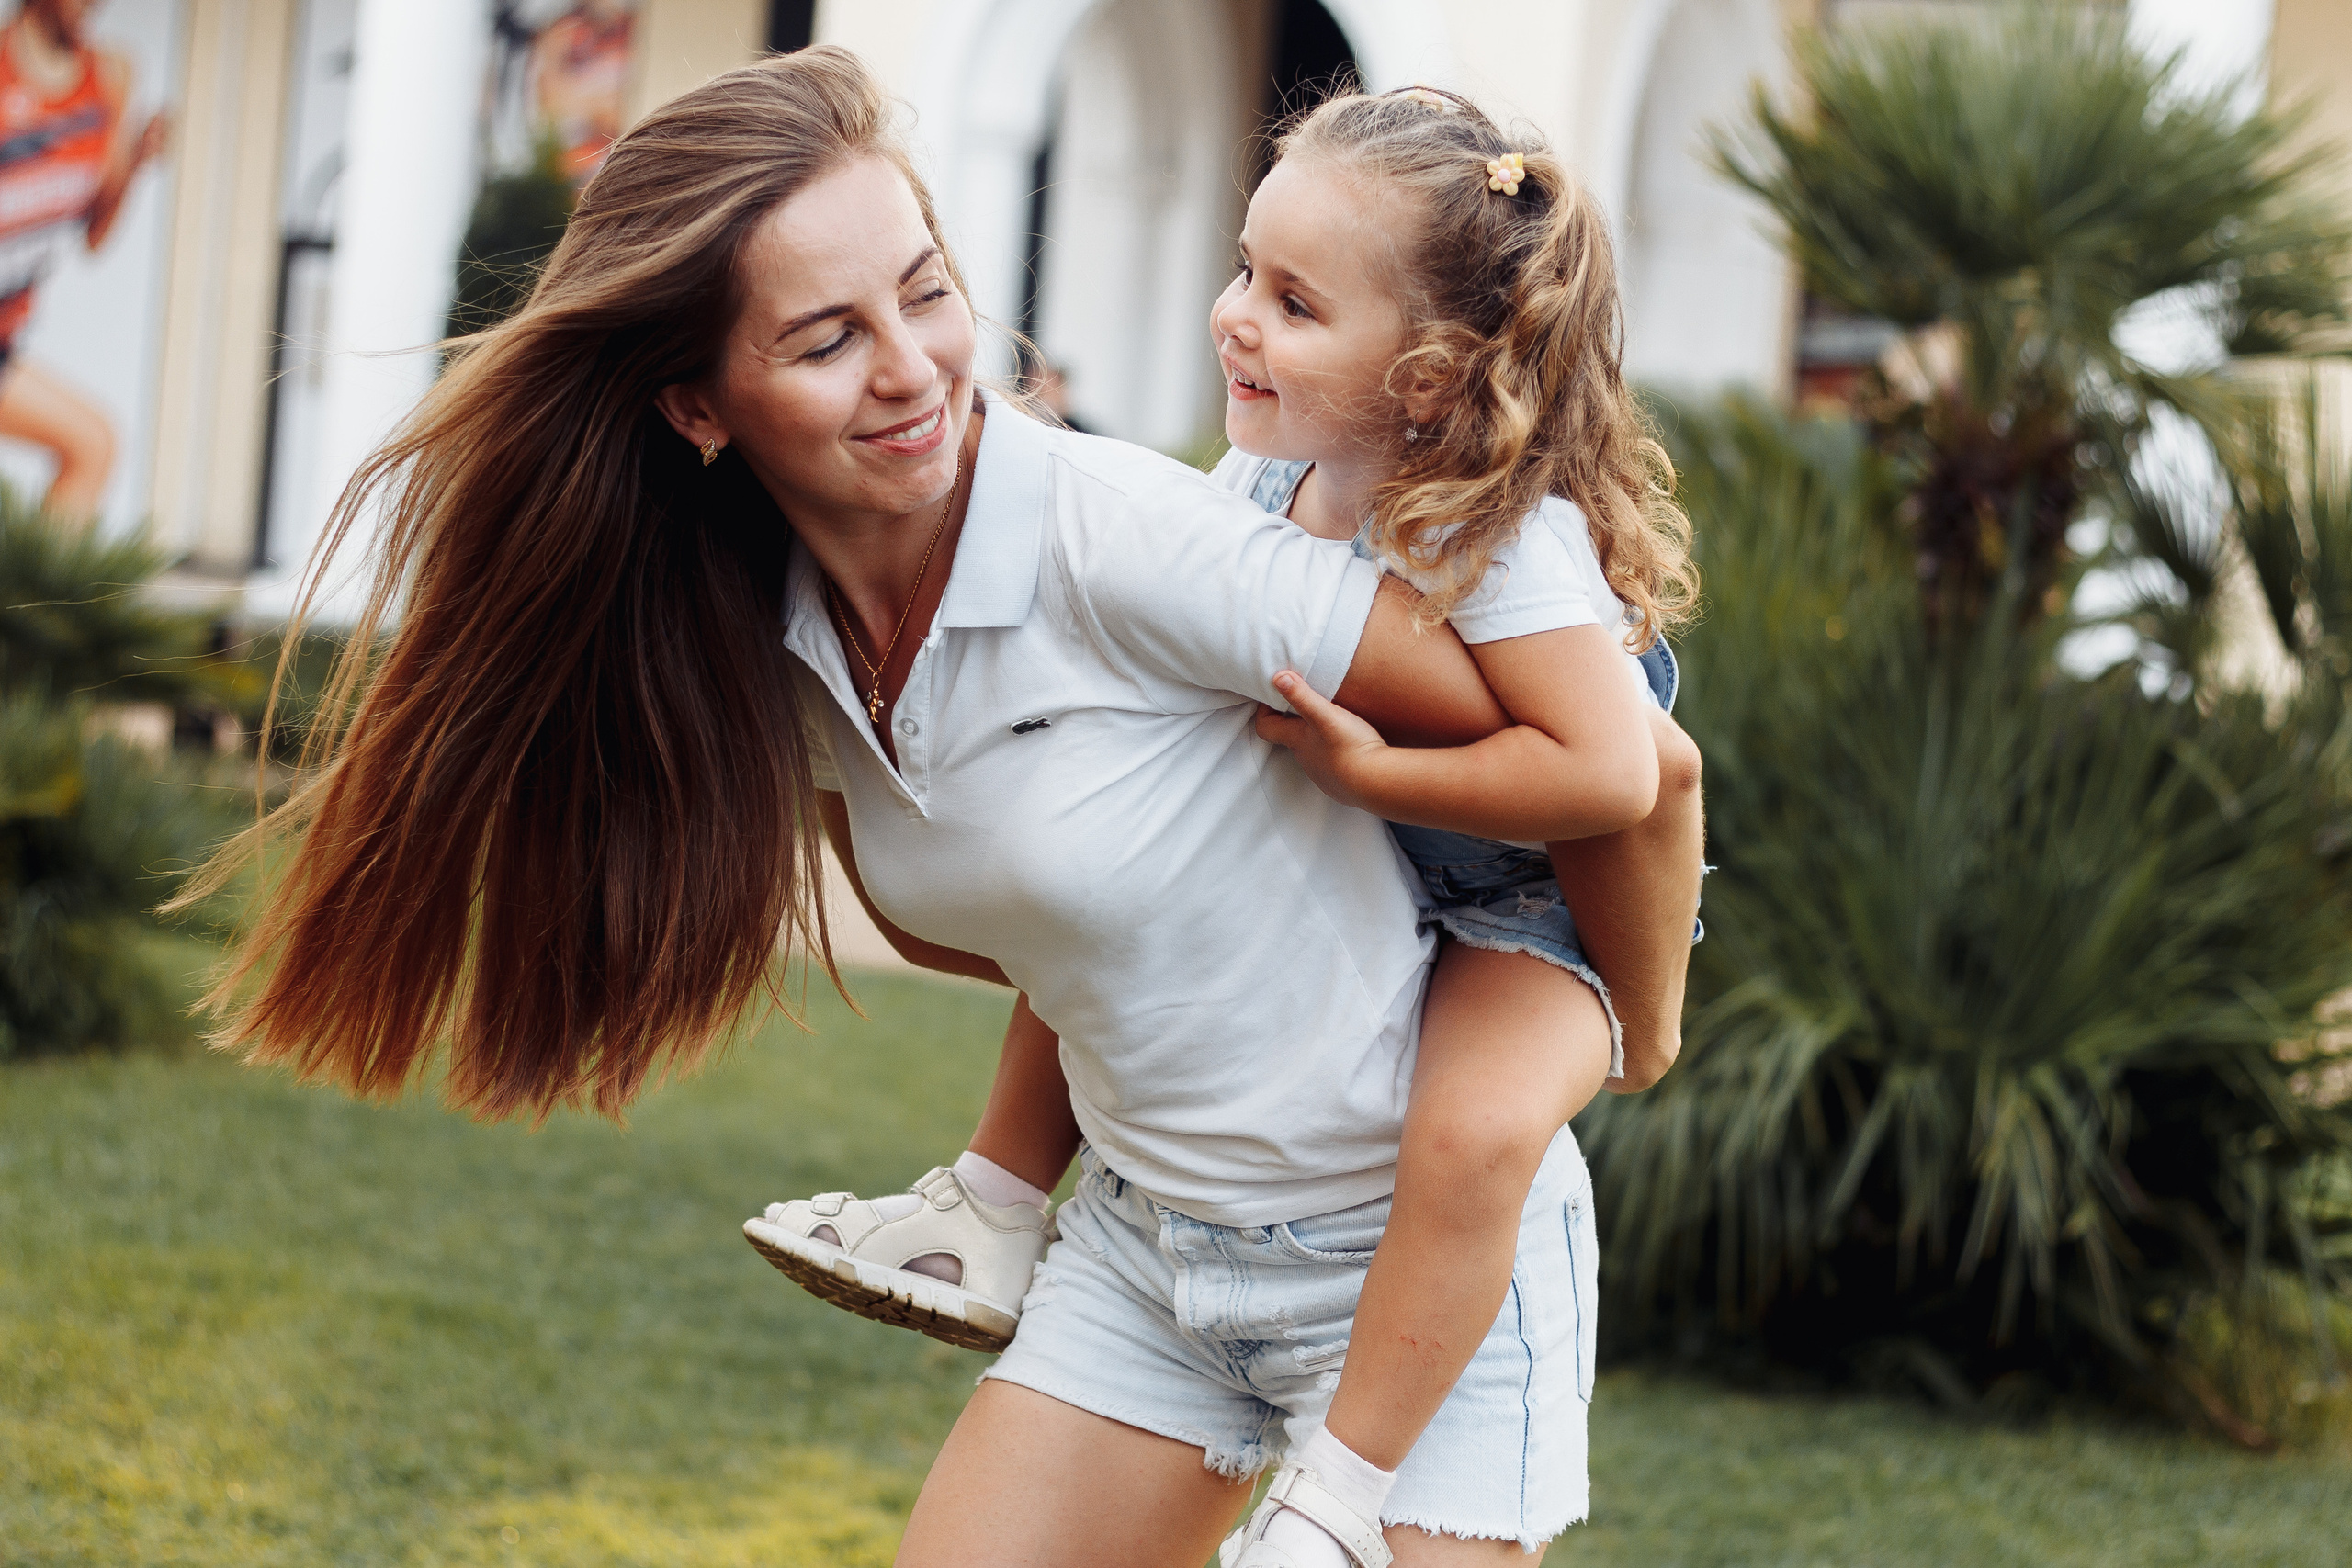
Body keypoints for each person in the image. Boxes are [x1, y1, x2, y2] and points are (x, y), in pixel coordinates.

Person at [183, 50, 1696, 1563]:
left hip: (1418, 1283)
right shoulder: (757, 633)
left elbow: (1645, 774)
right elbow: (1073, 920)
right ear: (700, 405)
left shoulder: (1148, 540)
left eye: (925, 292)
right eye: (830, 336)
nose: (912, 366)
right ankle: (986, 1201)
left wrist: (1631, 1018)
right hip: (1149, 1254)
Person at [745, 85, 1703, 1565]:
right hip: (1165, 1223)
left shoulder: (1496, 537)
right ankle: (992, 1194)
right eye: (1245, 270)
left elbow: (1623, 780)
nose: (1234, 318)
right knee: (1112, 888)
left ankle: (1337, 1492)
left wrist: (1411, 800)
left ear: (1434, 372)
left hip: (1519, 899)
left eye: (1296, 302)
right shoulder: (1256, 487)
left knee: (1474, 1125)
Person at [0, 0, 168, 522]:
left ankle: (38, 603)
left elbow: (94, 235)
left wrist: (134, 166)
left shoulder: (111, 78)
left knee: (93, 445)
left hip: (6, 338)